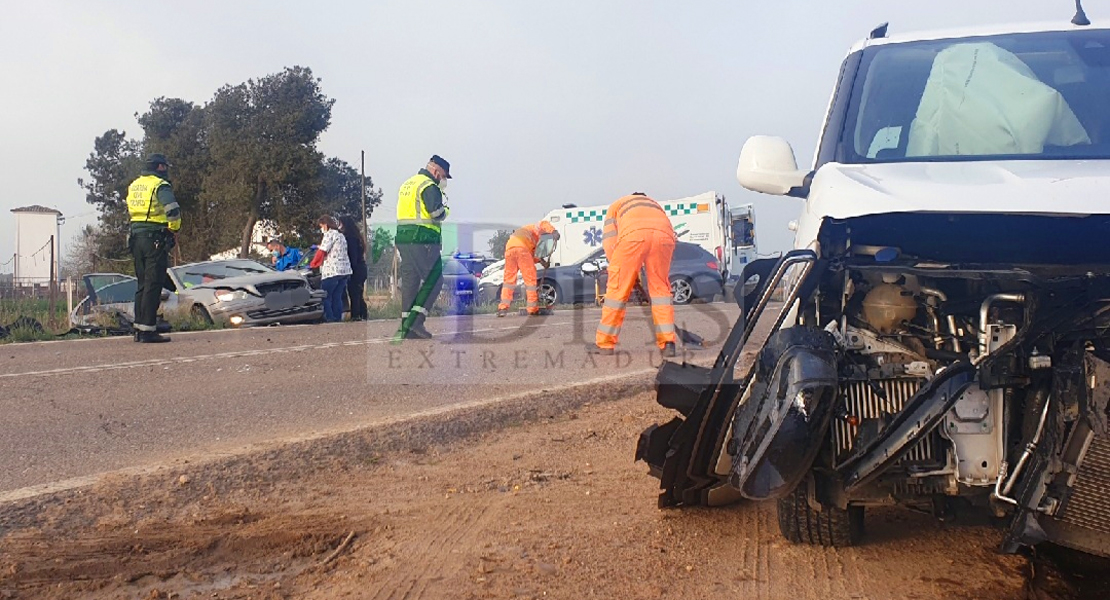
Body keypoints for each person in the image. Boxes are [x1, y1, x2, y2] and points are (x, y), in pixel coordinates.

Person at [590, 193, 677, 357]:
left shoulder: (616, 206)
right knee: (661, 291)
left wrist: (621, 270)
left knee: (616, 292)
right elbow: (663, 231)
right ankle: (668, 343)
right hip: (665, 237)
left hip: (632, 237)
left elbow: (610, 243)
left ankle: (605, 343)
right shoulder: (654, 203)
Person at [395, 155, 451, 340]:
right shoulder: (429, 186)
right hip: (423, 239)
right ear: (436, 171)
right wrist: (446, 210)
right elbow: (436, 214)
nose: (443, 181)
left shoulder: (408, 184)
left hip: (404, 238)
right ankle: (417, 322)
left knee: (411, 281)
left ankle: (407, 326)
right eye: (443, 176)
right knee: (434, 281)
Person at [126, 153, 181, 343]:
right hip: (154, 238)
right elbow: (172, 210)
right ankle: (148, 330)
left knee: (142, 284)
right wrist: (173, 229)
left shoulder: (135, 185)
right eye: (165, 167)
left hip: (136, 238)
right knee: (154, 283)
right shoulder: (160, 185)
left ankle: (139, 329)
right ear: (160, 167)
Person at [498, 220, 559, 317]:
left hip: (510, 249)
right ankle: (532, 309)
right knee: (530, 279)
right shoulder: (535, 229)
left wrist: (541, 261)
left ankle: (503, 308)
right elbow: (543, 223)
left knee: (509, 281)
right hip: (522, 249)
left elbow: (530, 255)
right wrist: (553, 231)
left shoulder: (525, 234)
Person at [308, 215, 352, 322]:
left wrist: (312, 264)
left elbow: (322, 252)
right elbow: (333, 249)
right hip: (344, 271)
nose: (321, 228)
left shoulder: (329, 234)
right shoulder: (340, 235)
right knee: (337, 296)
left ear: (326, 225)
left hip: (332, 271)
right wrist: (318, 247)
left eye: (321, 226)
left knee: (325, 296)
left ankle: (329, 319)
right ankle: (337, 318)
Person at [338, 216, 369, 321]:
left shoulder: (350, 238)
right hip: (362, 267)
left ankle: (356, 316)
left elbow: (353, 256)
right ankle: (363, 314)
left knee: (354, 293)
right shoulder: (357, 237)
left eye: (340, 223)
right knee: (358, 293)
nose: (340, 226)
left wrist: (351, 270)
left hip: (355, 269)